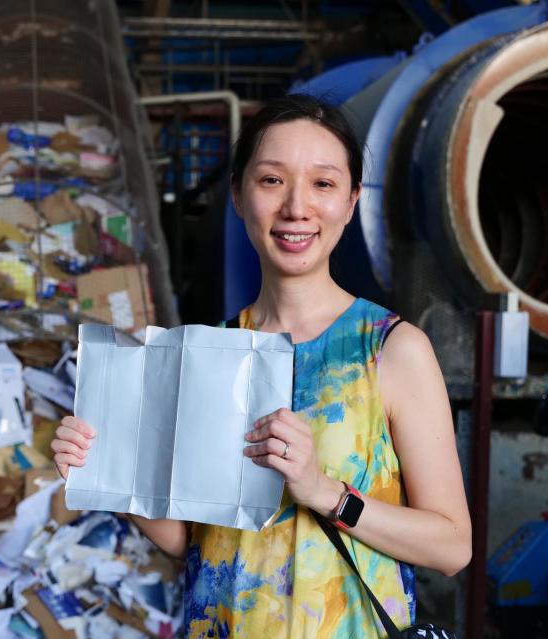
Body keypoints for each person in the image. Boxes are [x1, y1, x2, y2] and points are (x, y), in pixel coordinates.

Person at [50, 94, 471, 638]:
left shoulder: (390, 349)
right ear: (238, 195)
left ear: (351, 200)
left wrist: (325, 492)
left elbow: (452, 546)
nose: (297, 207)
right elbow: (196, 543)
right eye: (272, 180)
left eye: (323, 184)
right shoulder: (209, 351)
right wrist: (106, 473)